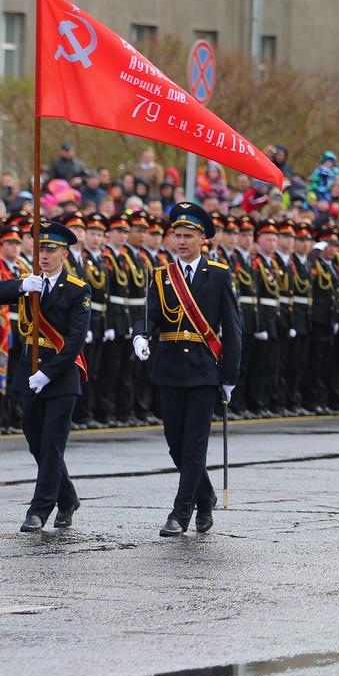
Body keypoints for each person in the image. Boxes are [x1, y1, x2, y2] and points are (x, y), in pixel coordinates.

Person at [133, 203, 242, 537]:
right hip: (168, 367)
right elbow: (150, 314)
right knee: (175, 444)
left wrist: (229, 378)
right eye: (177, 235)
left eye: (188, 236)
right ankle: (205, 496)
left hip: (203, 371)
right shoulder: (161, 275)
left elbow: (233, 328)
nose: (181, 241)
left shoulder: (220, 274)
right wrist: (140, 334)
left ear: (202, 239)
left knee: (194, 445)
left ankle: (181, 513)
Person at [0, 220, 91, 532]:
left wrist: (48, 372)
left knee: (52, 443)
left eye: (51, 250)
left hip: (61, 376)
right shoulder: (30, 282)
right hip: (27, 372)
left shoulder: (77, 289)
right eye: (41, 249)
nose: (44, 255)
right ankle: (68, 496)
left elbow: (74, 341)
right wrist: (21, 286)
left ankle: (40, 509)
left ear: (64, 254)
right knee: (35, 441)